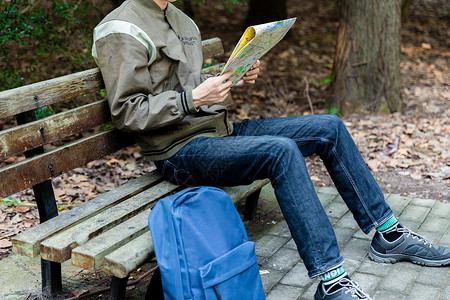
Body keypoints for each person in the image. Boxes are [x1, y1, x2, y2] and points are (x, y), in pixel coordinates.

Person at [92, 0, 450, 299]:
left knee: (329, 127)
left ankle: (387, 234)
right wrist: (193, 98)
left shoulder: (180, 18)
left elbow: (187, 84)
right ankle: (332, 280)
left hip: (220, 132)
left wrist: (231, 76)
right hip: (179, 152)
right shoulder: (121, 28)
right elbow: (127, 112)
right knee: (280, 151)